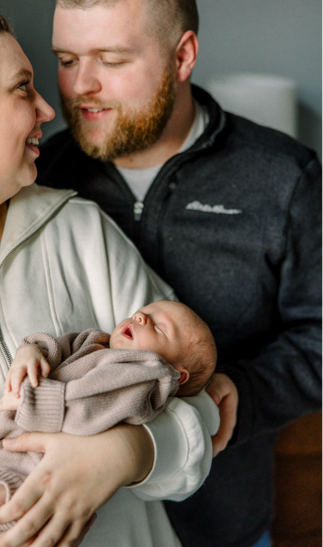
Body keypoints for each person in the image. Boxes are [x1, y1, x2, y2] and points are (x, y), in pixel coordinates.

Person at [0, 2, 220, 547]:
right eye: (20, 88)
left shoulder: (79, 230)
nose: (46, 108)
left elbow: (199, 402)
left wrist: (129, 453)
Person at [36, 0, 322, 546]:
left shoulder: (283, 177)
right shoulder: (41, 176)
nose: (80, 86)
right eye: (67, 59)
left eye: (111, 60)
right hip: (93, 533)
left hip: (223, 525)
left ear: (183, 56)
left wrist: (244, 388)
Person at [0, 300, 217, 547]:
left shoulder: (143, 378)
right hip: (2, 455)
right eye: (145, 312)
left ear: (178, 375)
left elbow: (90, 412)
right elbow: (55, 348)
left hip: (35, 474)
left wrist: (34, 402)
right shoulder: (95, 342)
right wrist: (29, 352)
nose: (142, 317)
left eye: (160, 328)